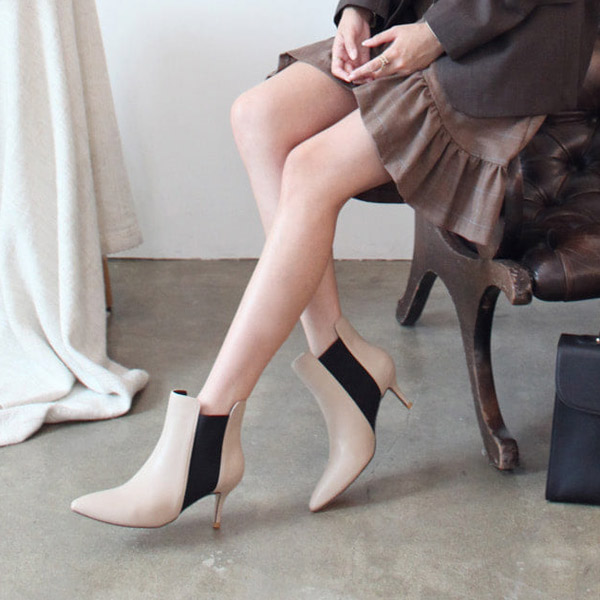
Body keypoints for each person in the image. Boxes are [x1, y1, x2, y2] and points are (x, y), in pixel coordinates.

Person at [70, 0, 600, 528]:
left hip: (507, 39)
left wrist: (439, 33)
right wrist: (359, 9)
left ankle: (207, 434)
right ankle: (342, 363)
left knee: (310, 169)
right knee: (257, 117)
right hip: (422, 19)